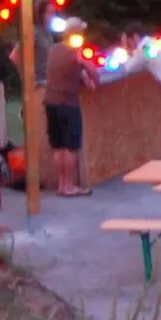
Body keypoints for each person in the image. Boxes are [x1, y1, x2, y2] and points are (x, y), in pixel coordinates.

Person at [42, 18, 99, 196]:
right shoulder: (76, 51)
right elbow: (96, 76)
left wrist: (81, 75)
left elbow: (65, 72)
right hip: (67, 104)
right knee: (71, 146)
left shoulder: (54, 49)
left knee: (58, 146)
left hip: (50, 102)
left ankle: (61, 184)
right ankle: (68, 186)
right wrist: (84, 62)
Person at [119, 23, 161, 160]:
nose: (128, 47)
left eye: (128, 43)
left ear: (135, 37)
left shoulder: (144, 48)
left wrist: (126, 53)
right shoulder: (160, 42)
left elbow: (127, 68)